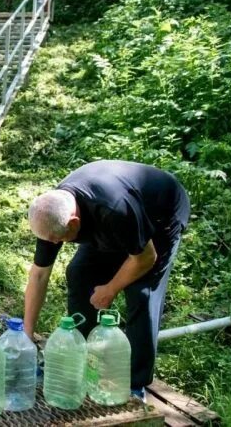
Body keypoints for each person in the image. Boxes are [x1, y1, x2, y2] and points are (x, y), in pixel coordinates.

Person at [23, 160, 190, 401]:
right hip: (110, 220)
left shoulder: (115, 209)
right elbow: (39, 275)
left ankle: (135, 384)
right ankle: (81, 356)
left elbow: (145, 258)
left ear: (74, 223)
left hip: (160, 217)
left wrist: (111, 289)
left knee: (141, 292)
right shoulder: (50, 212)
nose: (54, 245)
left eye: (59, 240)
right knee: (80, 273)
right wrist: (27, 336)